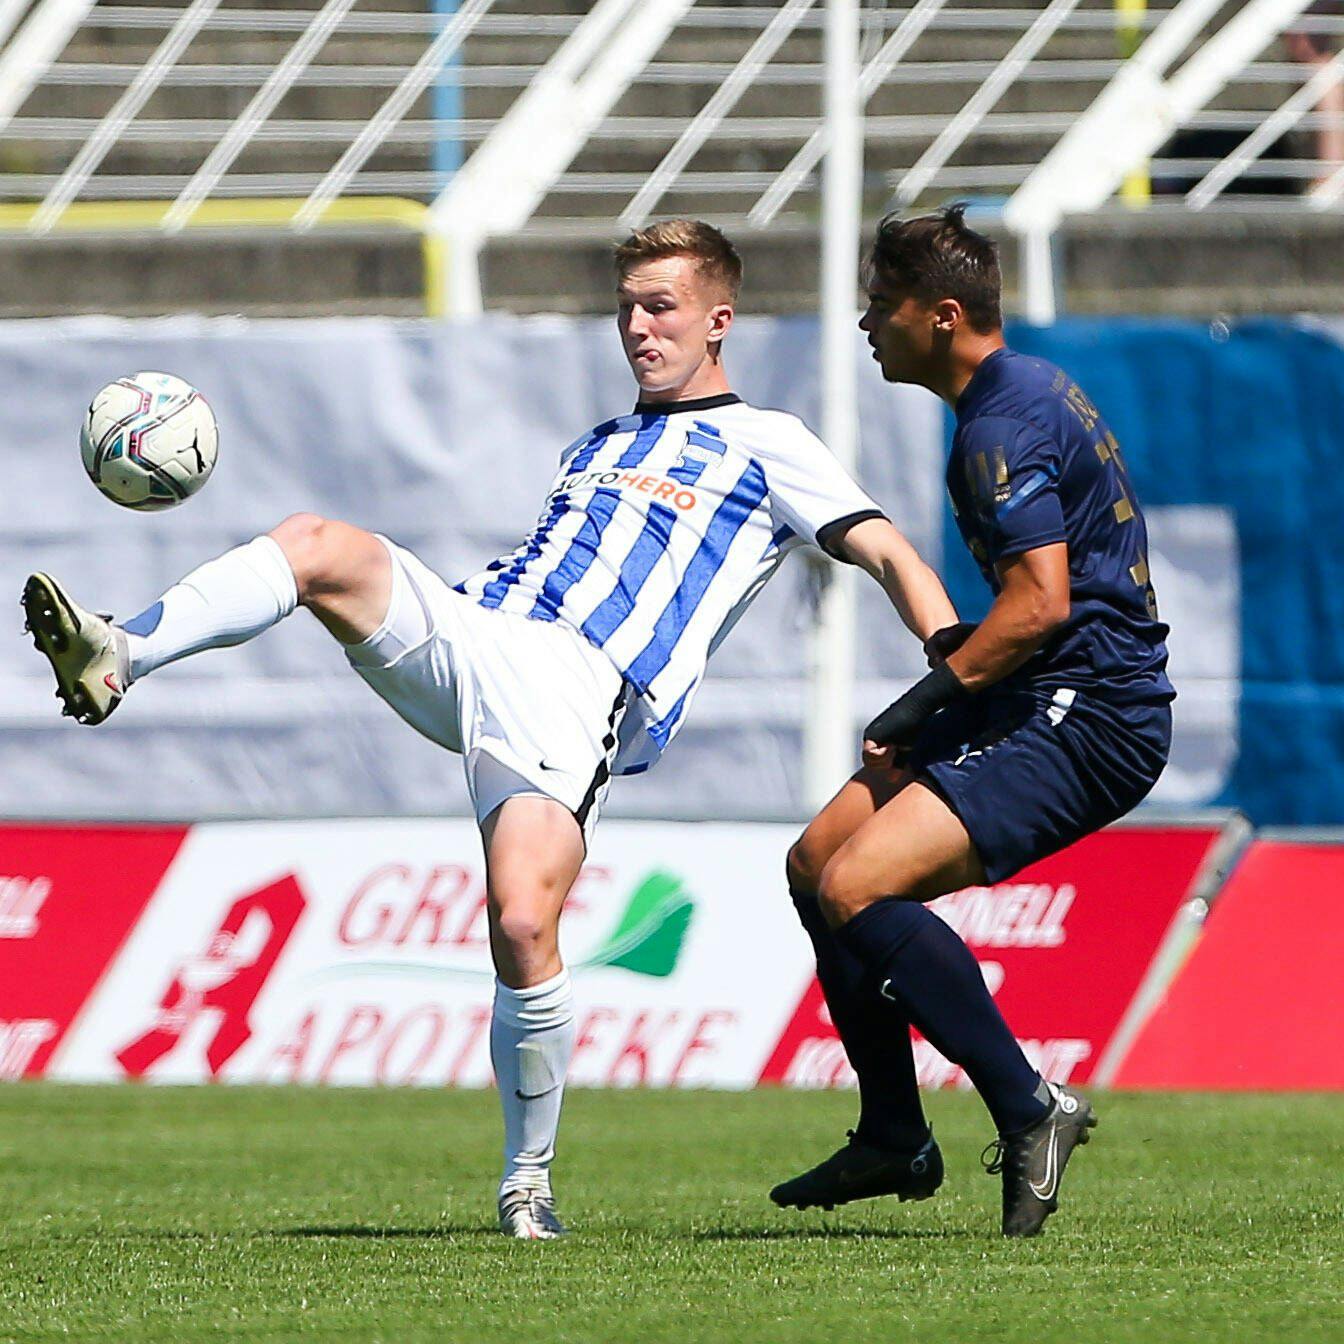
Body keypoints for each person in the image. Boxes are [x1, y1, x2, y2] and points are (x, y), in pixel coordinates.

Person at [22, 219, 957, 1241]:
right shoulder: (598, 444)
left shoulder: (771, 441)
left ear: (717, 320)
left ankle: (527, 1183)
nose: (639, 328)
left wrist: (951, 656)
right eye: (628, 308)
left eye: (662, 308)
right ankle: (121, 653)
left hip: (575, 693)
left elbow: (888, 553)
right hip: (478, 630)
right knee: (319, 546)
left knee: (521, 923)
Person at [771, 206, 1174, 1238]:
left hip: (1094, 716)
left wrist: (921, 702)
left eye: (882, 306)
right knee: (818, 861)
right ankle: (895, 1135)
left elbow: (1040, 605)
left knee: (862, 882)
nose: (868, 324)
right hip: (1036, 693)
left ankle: (1030, 1106)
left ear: (941, 316)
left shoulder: (999, 423)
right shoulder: (1025, 390)